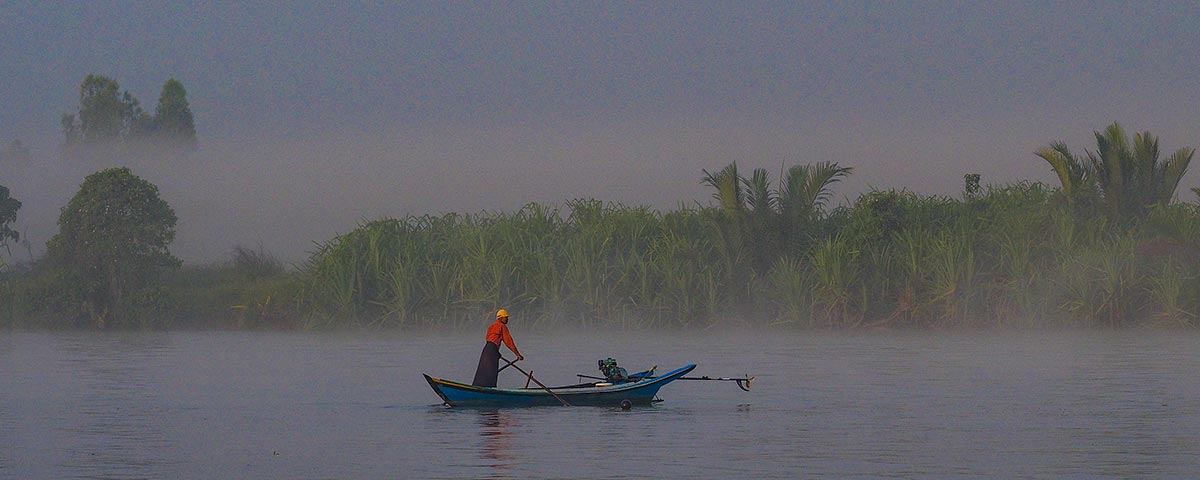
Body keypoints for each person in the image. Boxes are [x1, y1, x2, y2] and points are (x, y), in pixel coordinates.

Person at [472, 309, 523, 387]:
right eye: (506, 317)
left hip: (486, 350)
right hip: (492, 350)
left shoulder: (491, 326)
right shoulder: (502, 326)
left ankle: (479, 387)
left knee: (483, 370)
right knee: (491, 372)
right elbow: (509, 342)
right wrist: (518, 354)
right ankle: (489, 390)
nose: (507, 319)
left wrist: (497, 353)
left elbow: (490, 341)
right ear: (500, 318)